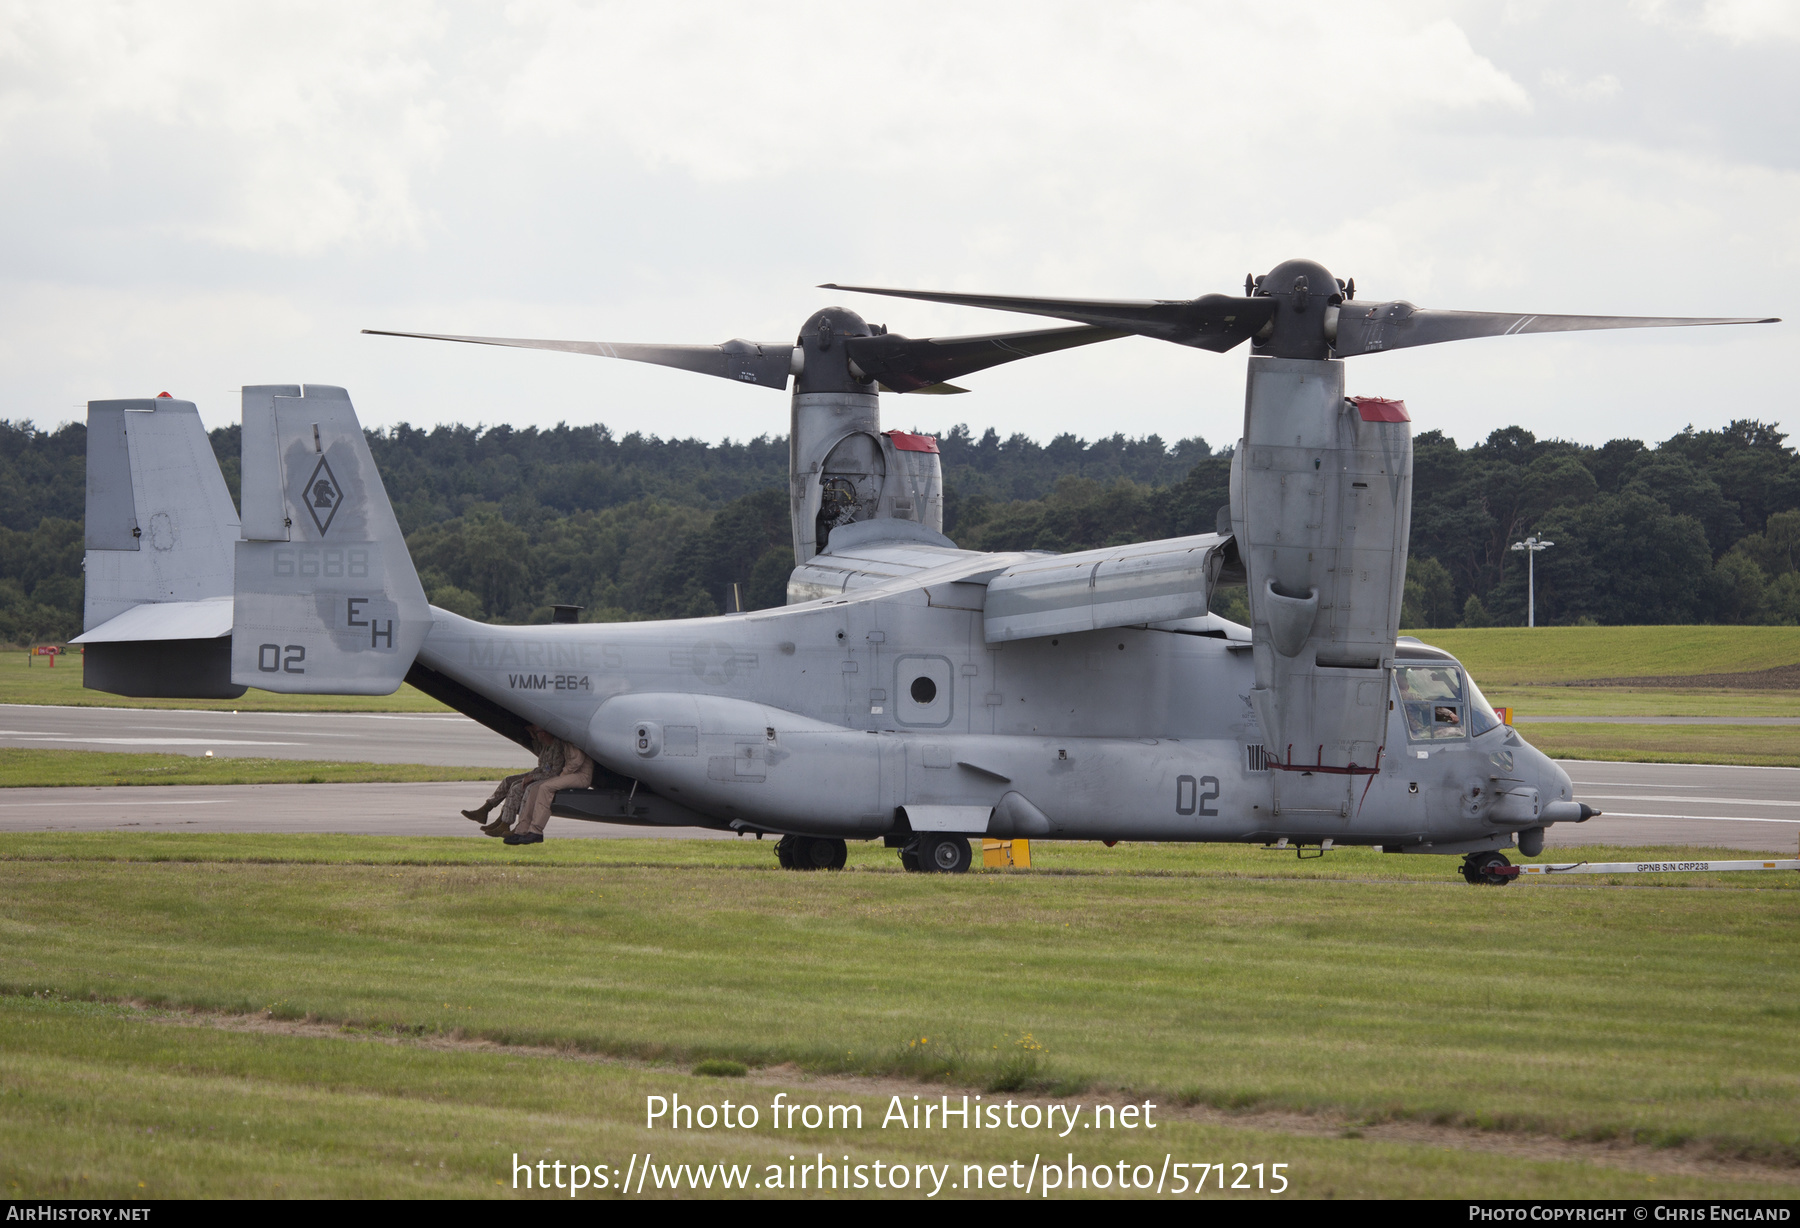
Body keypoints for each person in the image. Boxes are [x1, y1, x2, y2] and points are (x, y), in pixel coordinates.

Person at [462, 726, 561, 837]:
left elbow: (554, 773)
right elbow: (539, 753)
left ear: (543, 734)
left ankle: (506, 823)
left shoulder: (556, 748)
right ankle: (486, 811)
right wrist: (533, 737)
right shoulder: (546, 745)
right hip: (539, 772)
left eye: (536, 733)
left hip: (545, 777)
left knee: (517, 788)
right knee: (509, 781)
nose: (536, 736)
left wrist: (533, 777)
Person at [504, 738, 594, 846]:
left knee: (545, 788)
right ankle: (521, 830)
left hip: (581, 775)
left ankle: (536, 831)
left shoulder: (572, 739)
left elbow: (576, 761)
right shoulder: (566, 738)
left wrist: (562, 776)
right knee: (534, 788)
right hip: (572, 773)